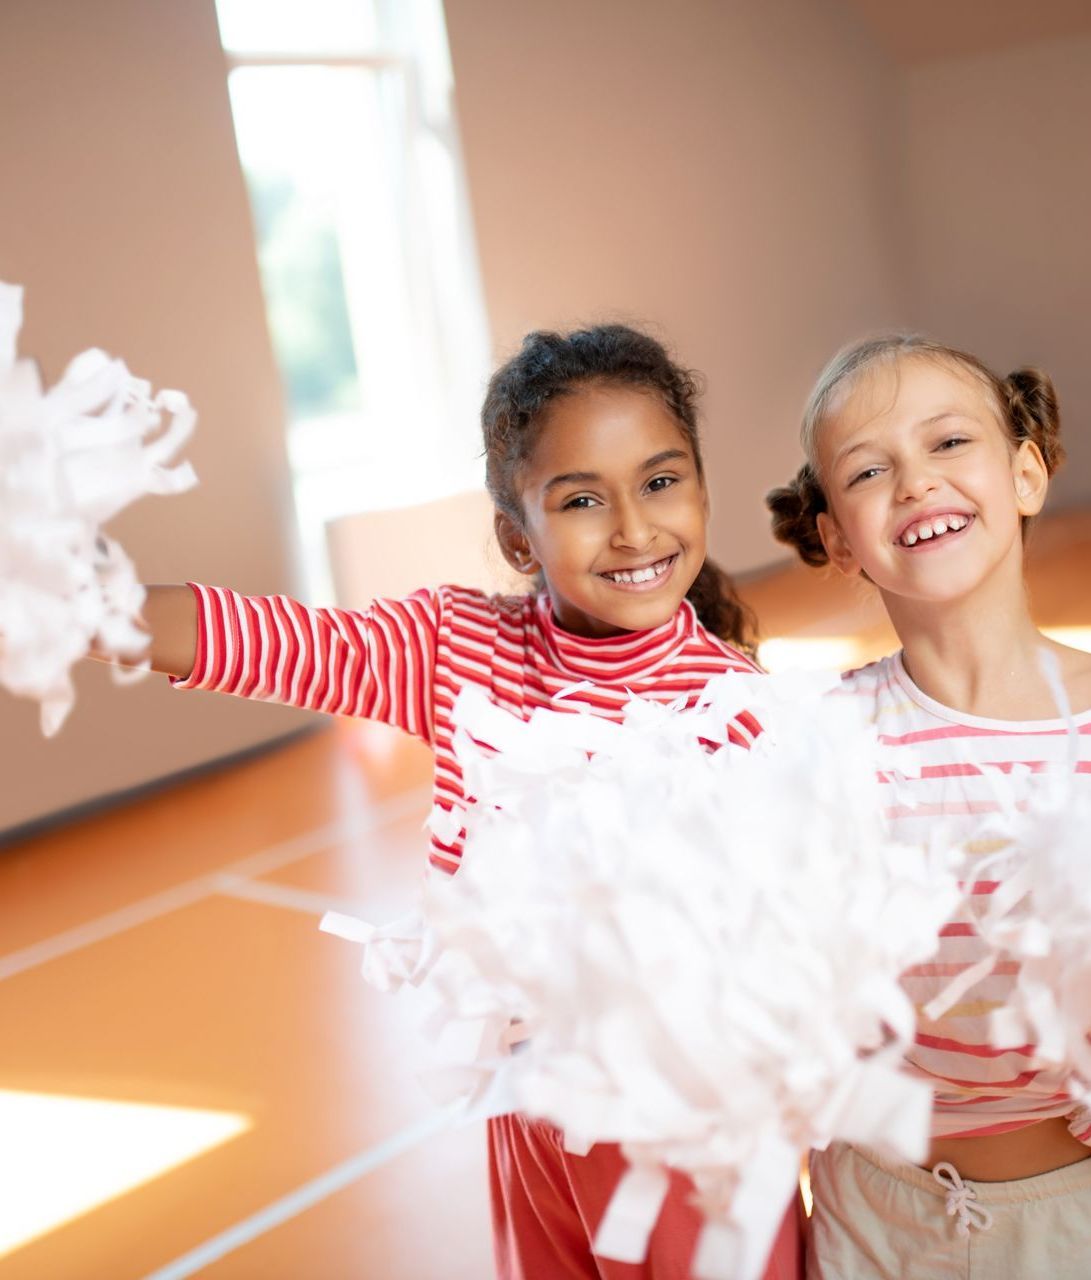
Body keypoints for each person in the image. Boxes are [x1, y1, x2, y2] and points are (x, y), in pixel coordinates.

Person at [141, 324, 803, 1279]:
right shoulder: (459, 650)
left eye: (661, 481)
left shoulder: (738, 707)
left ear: (700, 486)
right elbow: (274, 637)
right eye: (580, 499)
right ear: (515, 536)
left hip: (688, 1127)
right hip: (528, 1105)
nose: (631, 527)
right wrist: (81, 602)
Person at [767, 334, 1091, 1279]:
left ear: (1025, 473)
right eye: (869, 470)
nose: (915, 482)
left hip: (1062, 1219)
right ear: (835, 536)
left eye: (949, 443)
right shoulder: (819, 738)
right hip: (867, 1211)